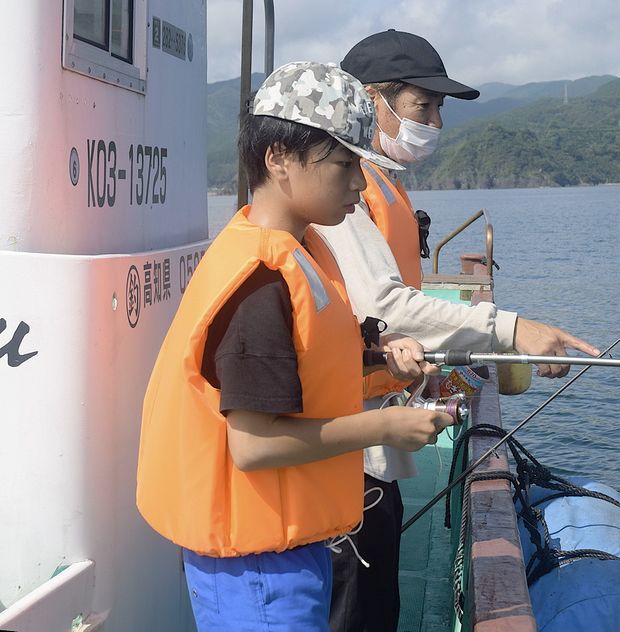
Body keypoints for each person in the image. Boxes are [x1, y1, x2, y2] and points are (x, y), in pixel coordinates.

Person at [135, 61, 453, 632]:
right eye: (343, 165)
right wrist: (385, 427)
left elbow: (302, 358)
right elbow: (254, 444)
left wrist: (377, 356)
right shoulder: (260, 281)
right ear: (278, 158)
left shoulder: (299, 251)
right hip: (256, 570)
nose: (359, 184)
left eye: (360, 166)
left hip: (291, 547)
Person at [316, 31, 601, 631]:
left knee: (377, 604)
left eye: (438, 109)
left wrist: (432, 370)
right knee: (355, 610)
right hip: (343, 452)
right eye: (423, 106)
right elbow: (384, 306)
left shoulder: (381, 182)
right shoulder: (343, 192)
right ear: (370, 99)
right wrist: (510, 330)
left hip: (371, 439)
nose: (435, 122)